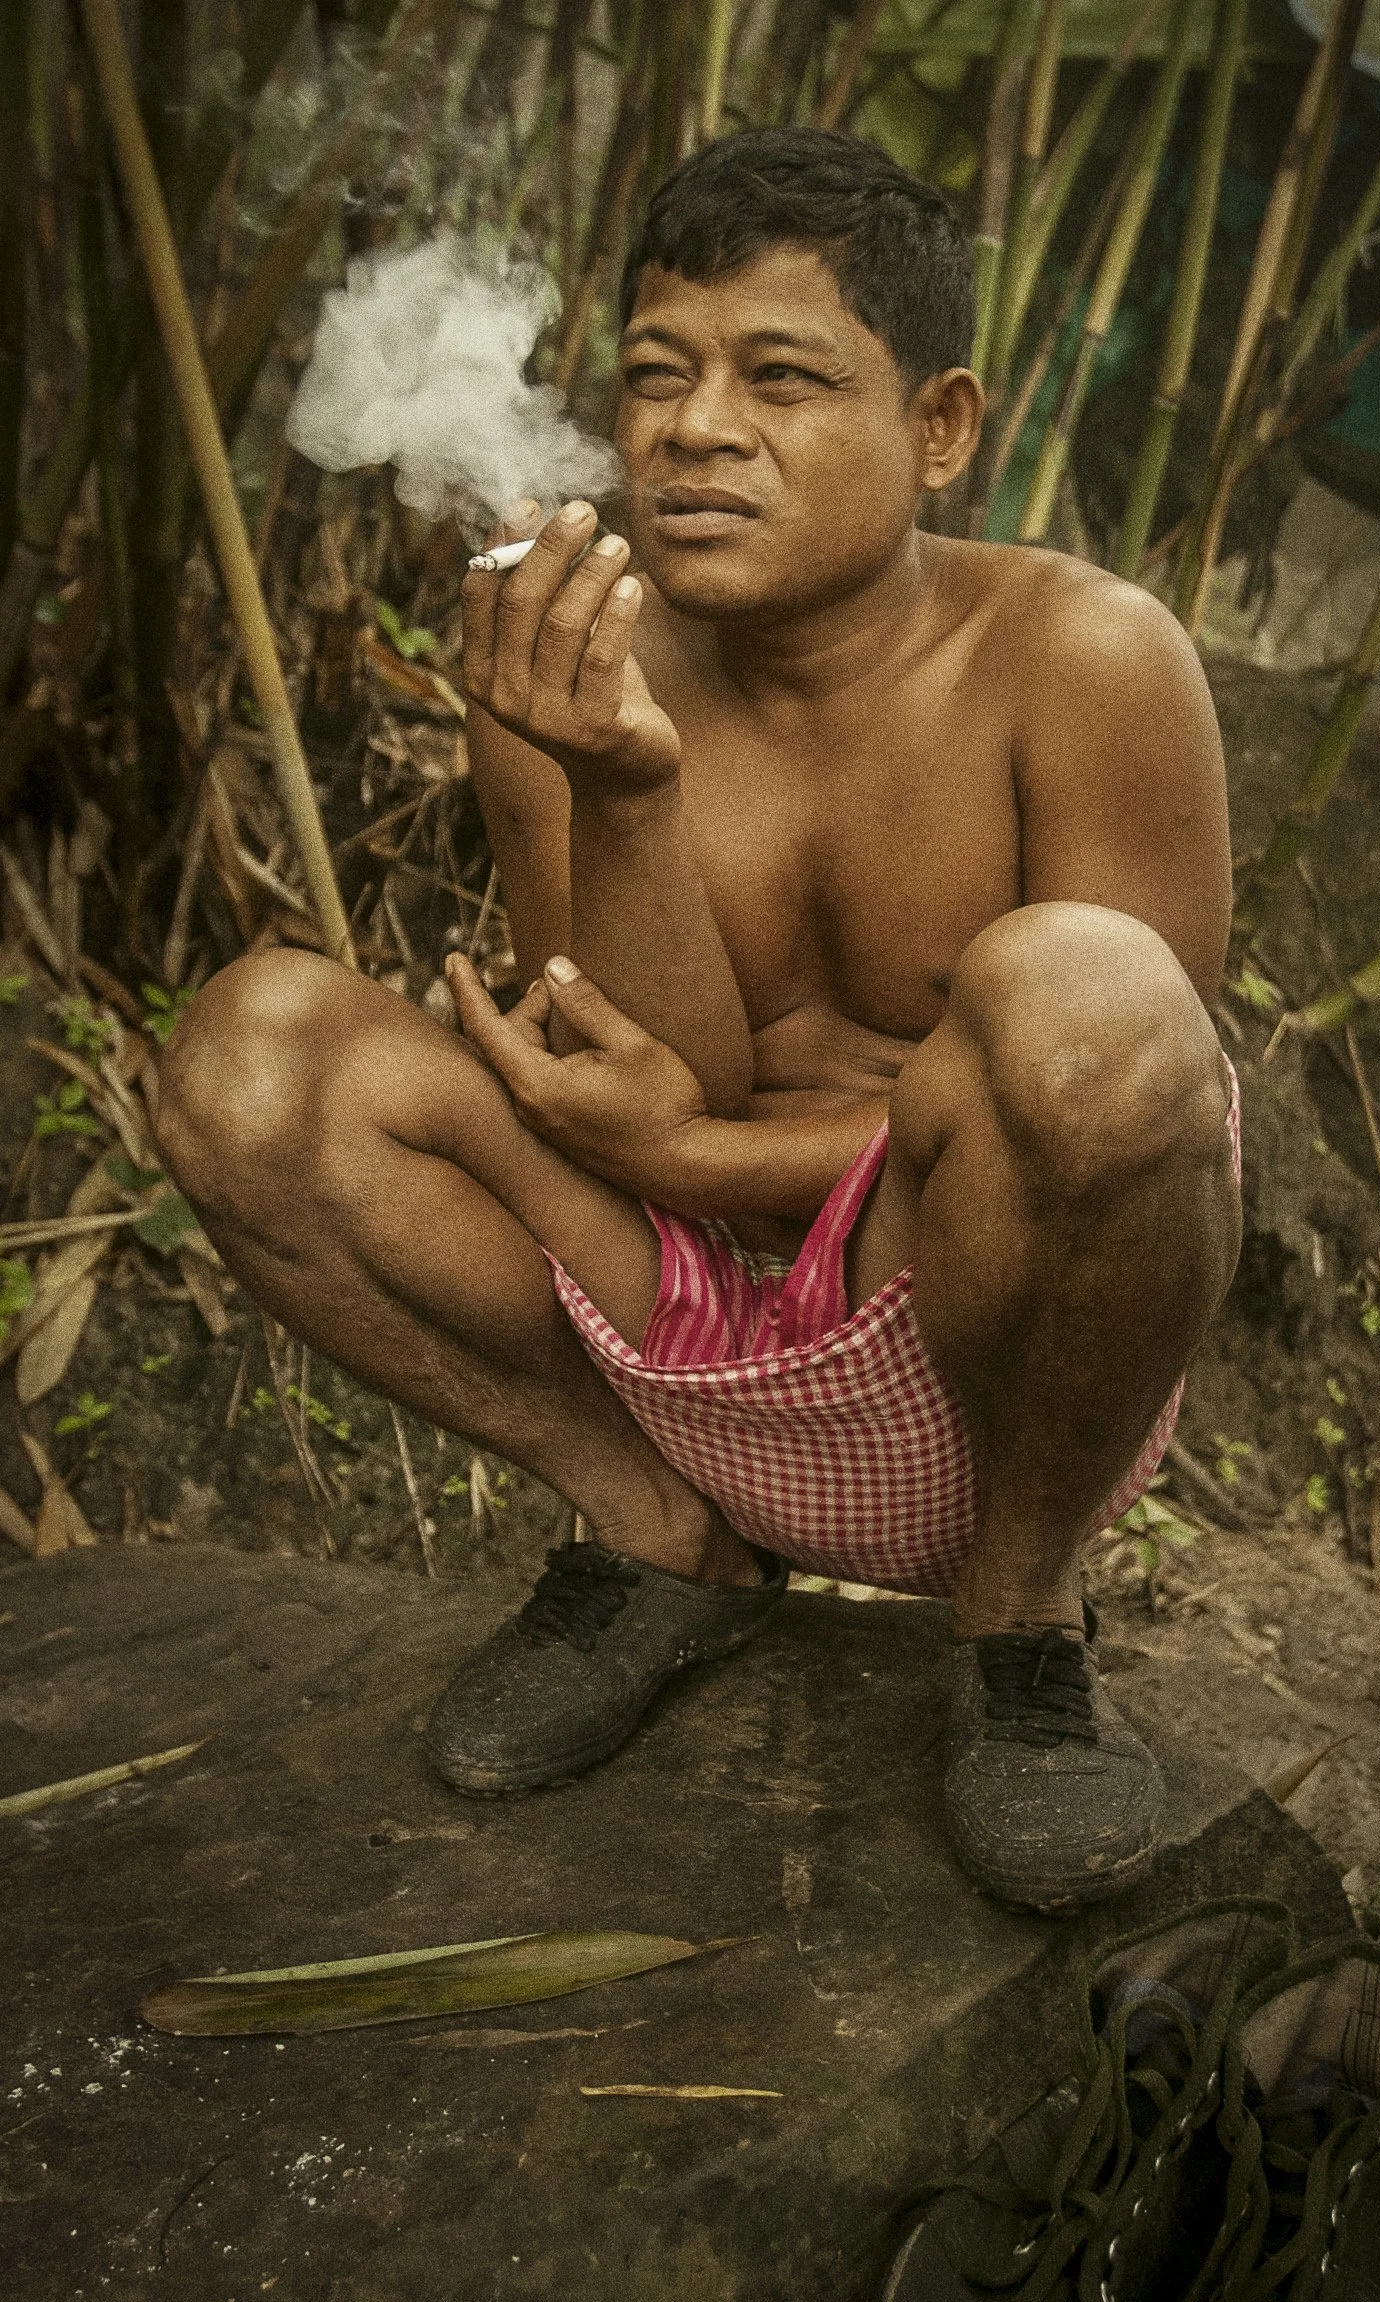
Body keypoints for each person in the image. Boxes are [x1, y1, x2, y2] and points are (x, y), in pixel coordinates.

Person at [156, 126, 1241, 1915]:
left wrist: (700, 1147)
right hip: (675, 1327)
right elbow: (646, 1087)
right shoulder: (565, 656)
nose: (694, 429)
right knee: (251, 1059)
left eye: (783, 379)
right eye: (656, 377)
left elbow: (1137, 1103)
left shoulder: (1084, 658)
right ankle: (663, 1548)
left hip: (978, 1344)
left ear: (941, 427)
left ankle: (1026, 1628)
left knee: (1091, 999)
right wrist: (626, 784)